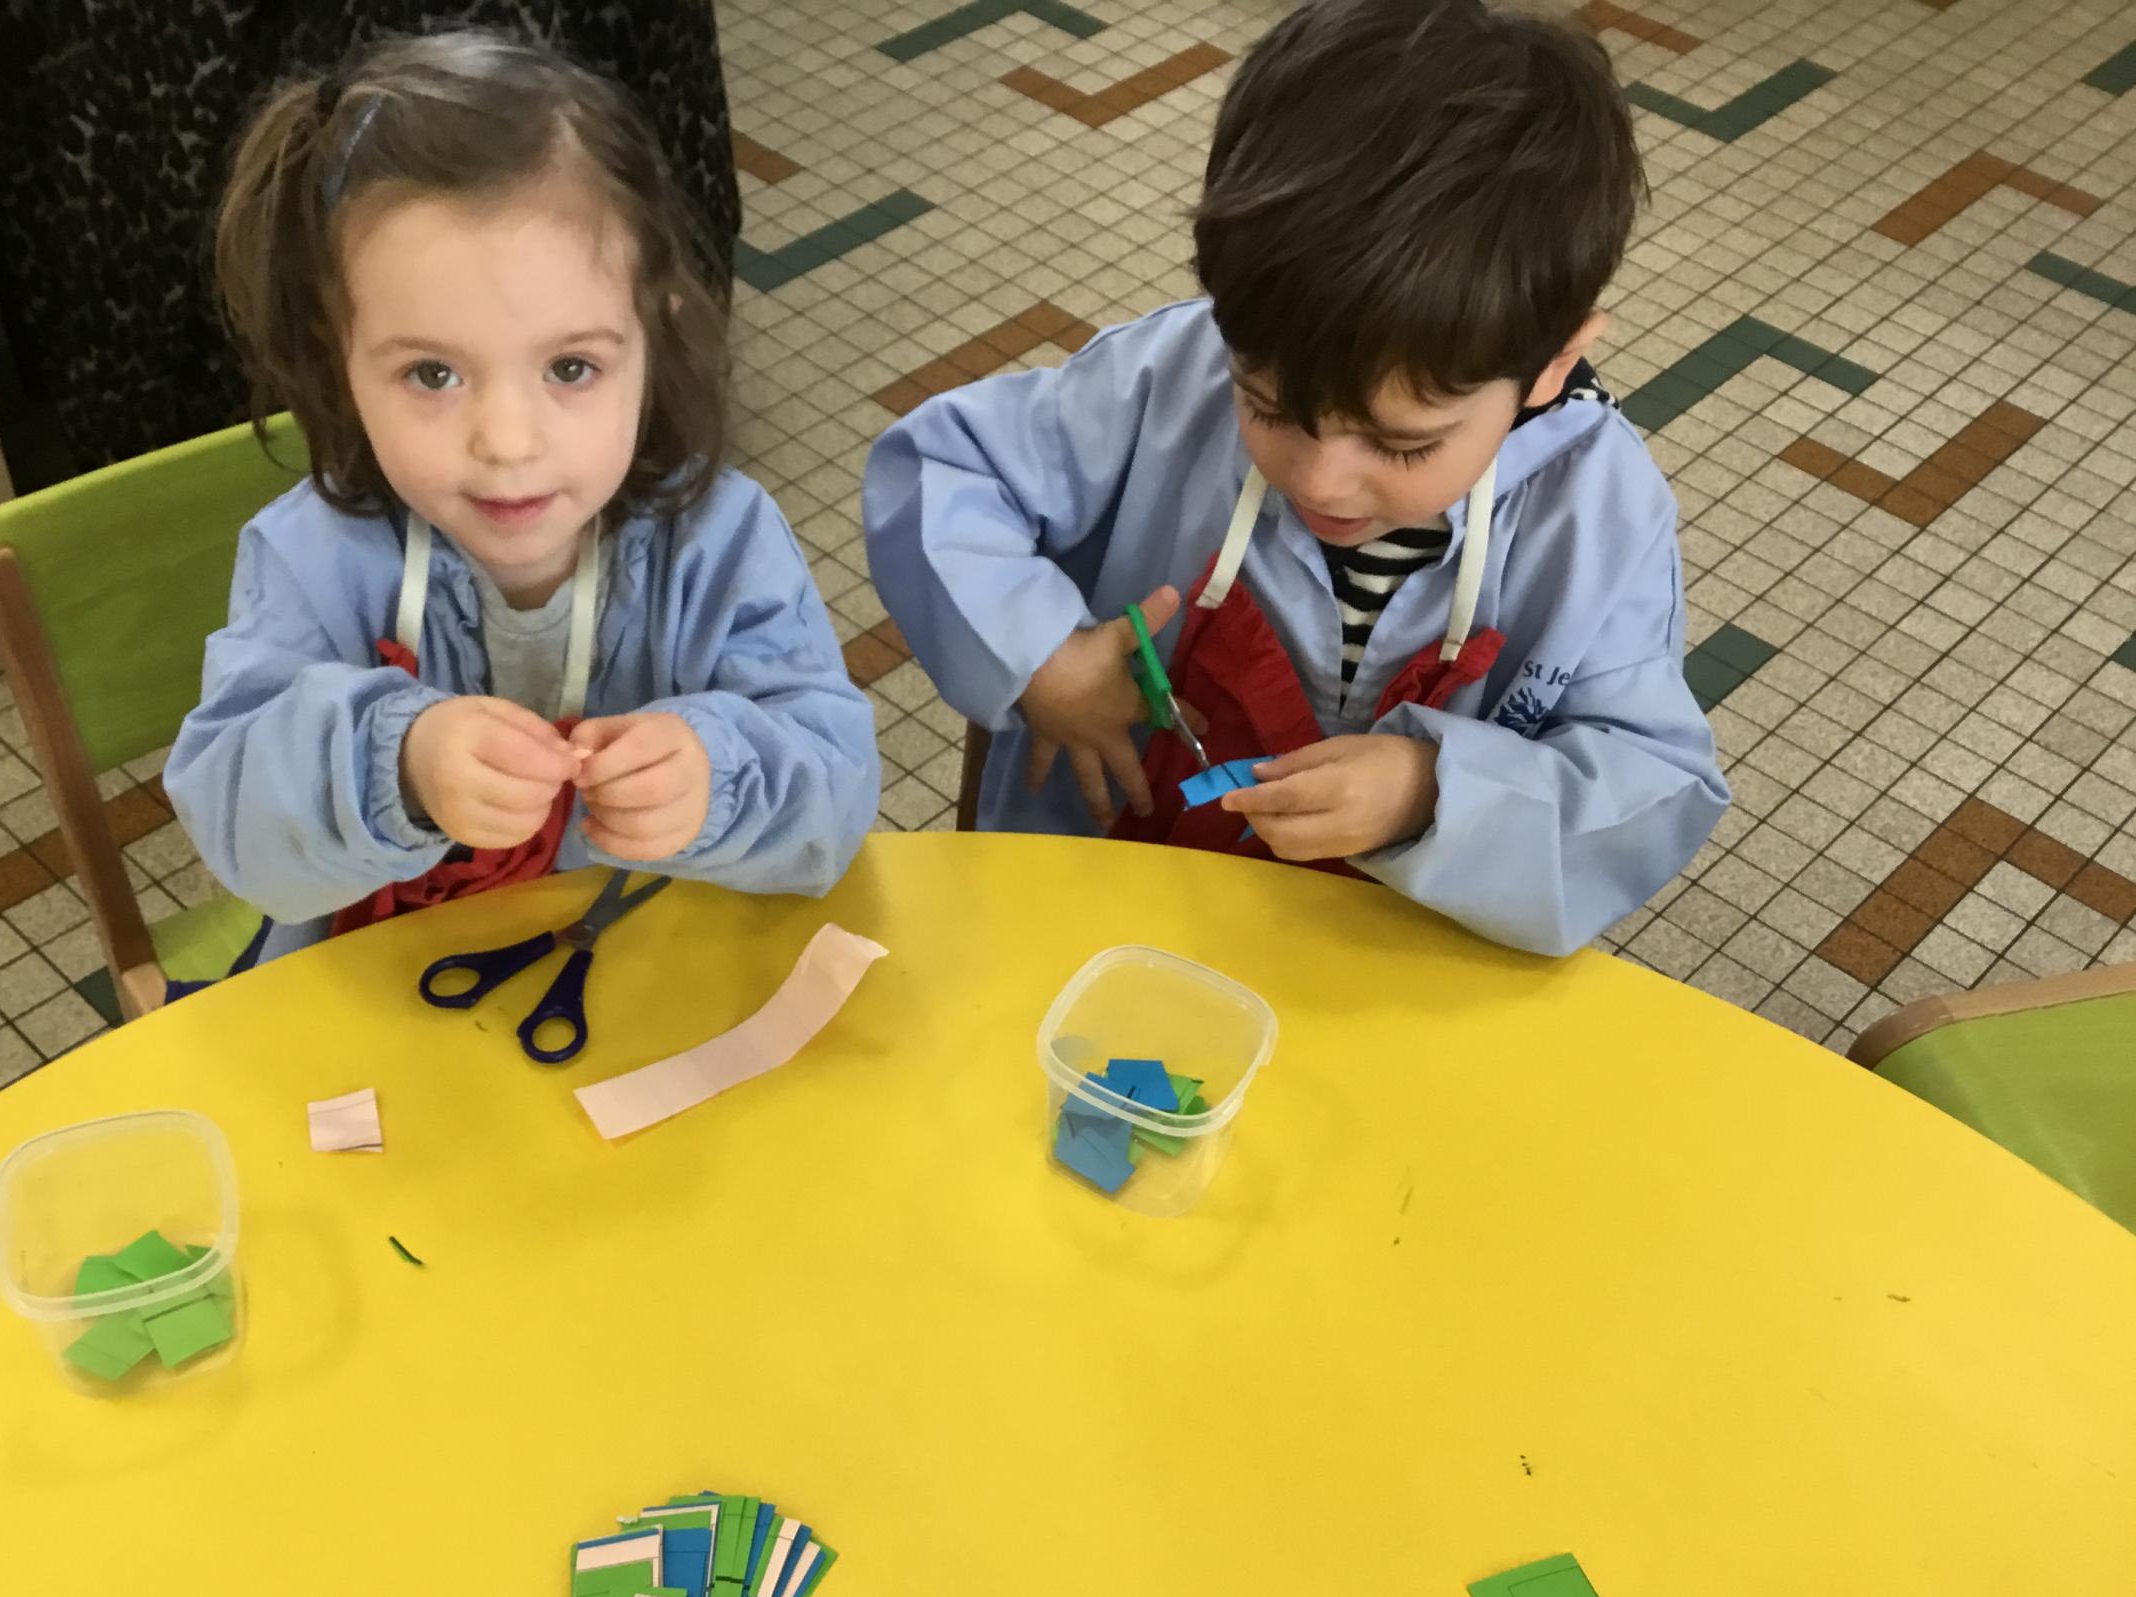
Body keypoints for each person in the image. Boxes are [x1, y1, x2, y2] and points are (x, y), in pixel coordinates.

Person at [863, 0, 1726, 957]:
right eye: (1267, 408)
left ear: (1554, 363)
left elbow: (1650, 782)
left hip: (1392, 961)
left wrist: (1432, 792)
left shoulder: (1599, 514)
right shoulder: (1163, 379)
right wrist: (1039, 656)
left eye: (1401, 446)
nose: (1321, 482)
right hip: (1087, 913)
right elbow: (937, 470)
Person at [168, 31, 877, 964]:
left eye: (571, 367)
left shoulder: (722, 543)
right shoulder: (310, 558)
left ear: (653, 339)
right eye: (431, 374)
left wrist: (719, 776)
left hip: (653, 972)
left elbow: (837, 794)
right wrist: (400, 765)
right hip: (383, 986)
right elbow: (233, 821)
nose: (507, 443)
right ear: (339, 361)